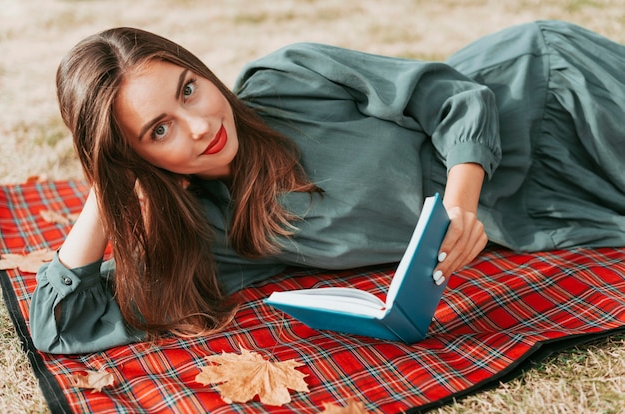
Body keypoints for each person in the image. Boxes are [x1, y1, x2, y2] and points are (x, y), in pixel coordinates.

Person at [30, 20, 625, 354]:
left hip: (550, 98)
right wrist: (108, 194)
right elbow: (63, 324)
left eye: (189, 89)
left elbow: (455, 97)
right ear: (136, 159)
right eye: (159, 130)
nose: (202, 124)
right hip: (544, 204)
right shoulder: (215, 234)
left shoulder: (287, 78)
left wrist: (461, 206)